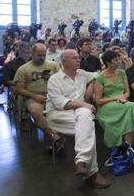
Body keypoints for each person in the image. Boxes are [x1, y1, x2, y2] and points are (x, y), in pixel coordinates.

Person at [45, 49, 111, 188]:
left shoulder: (82, 74)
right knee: (88, 125)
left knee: (86, 119)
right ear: (64, 62)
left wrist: (92, 84)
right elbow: (59, 103)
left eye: (78, 57)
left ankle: (81, 162)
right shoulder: (54, 79)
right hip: (58, 115)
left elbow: (98, 75)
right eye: (74, 58)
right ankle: (92, 173)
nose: (78, 60)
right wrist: (83, 103)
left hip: (79, 113)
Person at [14, 43, 61, 142]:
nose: (42, 57)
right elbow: (19, 89)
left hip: (53, 94)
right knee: (35, 111)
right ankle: (54, 136)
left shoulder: (54, 65)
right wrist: (34, 96)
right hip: (33, 96)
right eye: (39, 55)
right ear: (32, 53)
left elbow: (62, 81)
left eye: (44, 55)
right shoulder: (23, 69)